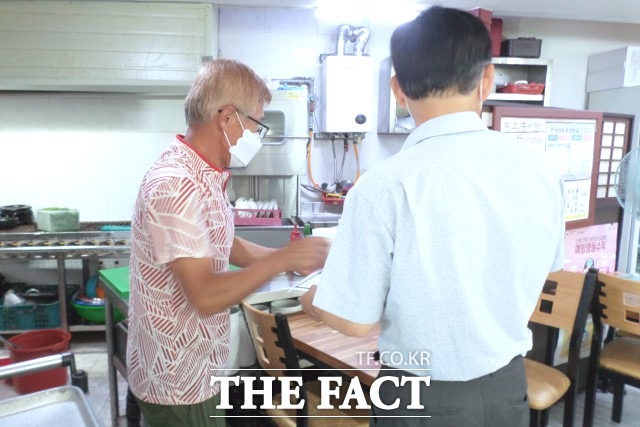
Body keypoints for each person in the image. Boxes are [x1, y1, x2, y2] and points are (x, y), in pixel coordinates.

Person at [300, 6, 565, 427]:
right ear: (486, 79)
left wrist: (312, 301)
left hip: (417, 394)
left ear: (398, 89)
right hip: (508, 387)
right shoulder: (542, 172)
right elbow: (534, 284)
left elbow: (354, 322)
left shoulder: (382, 186)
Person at [127, 59, 330, 427]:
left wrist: (287, 261)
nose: (256, 134)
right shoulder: (176, 185)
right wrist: (283, 257)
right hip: (180, 380)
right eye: (255, 124)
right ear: (226, 118)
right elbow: (205, 295)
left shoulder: (202, 173)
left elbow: (224, 244)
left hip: (202, 367)